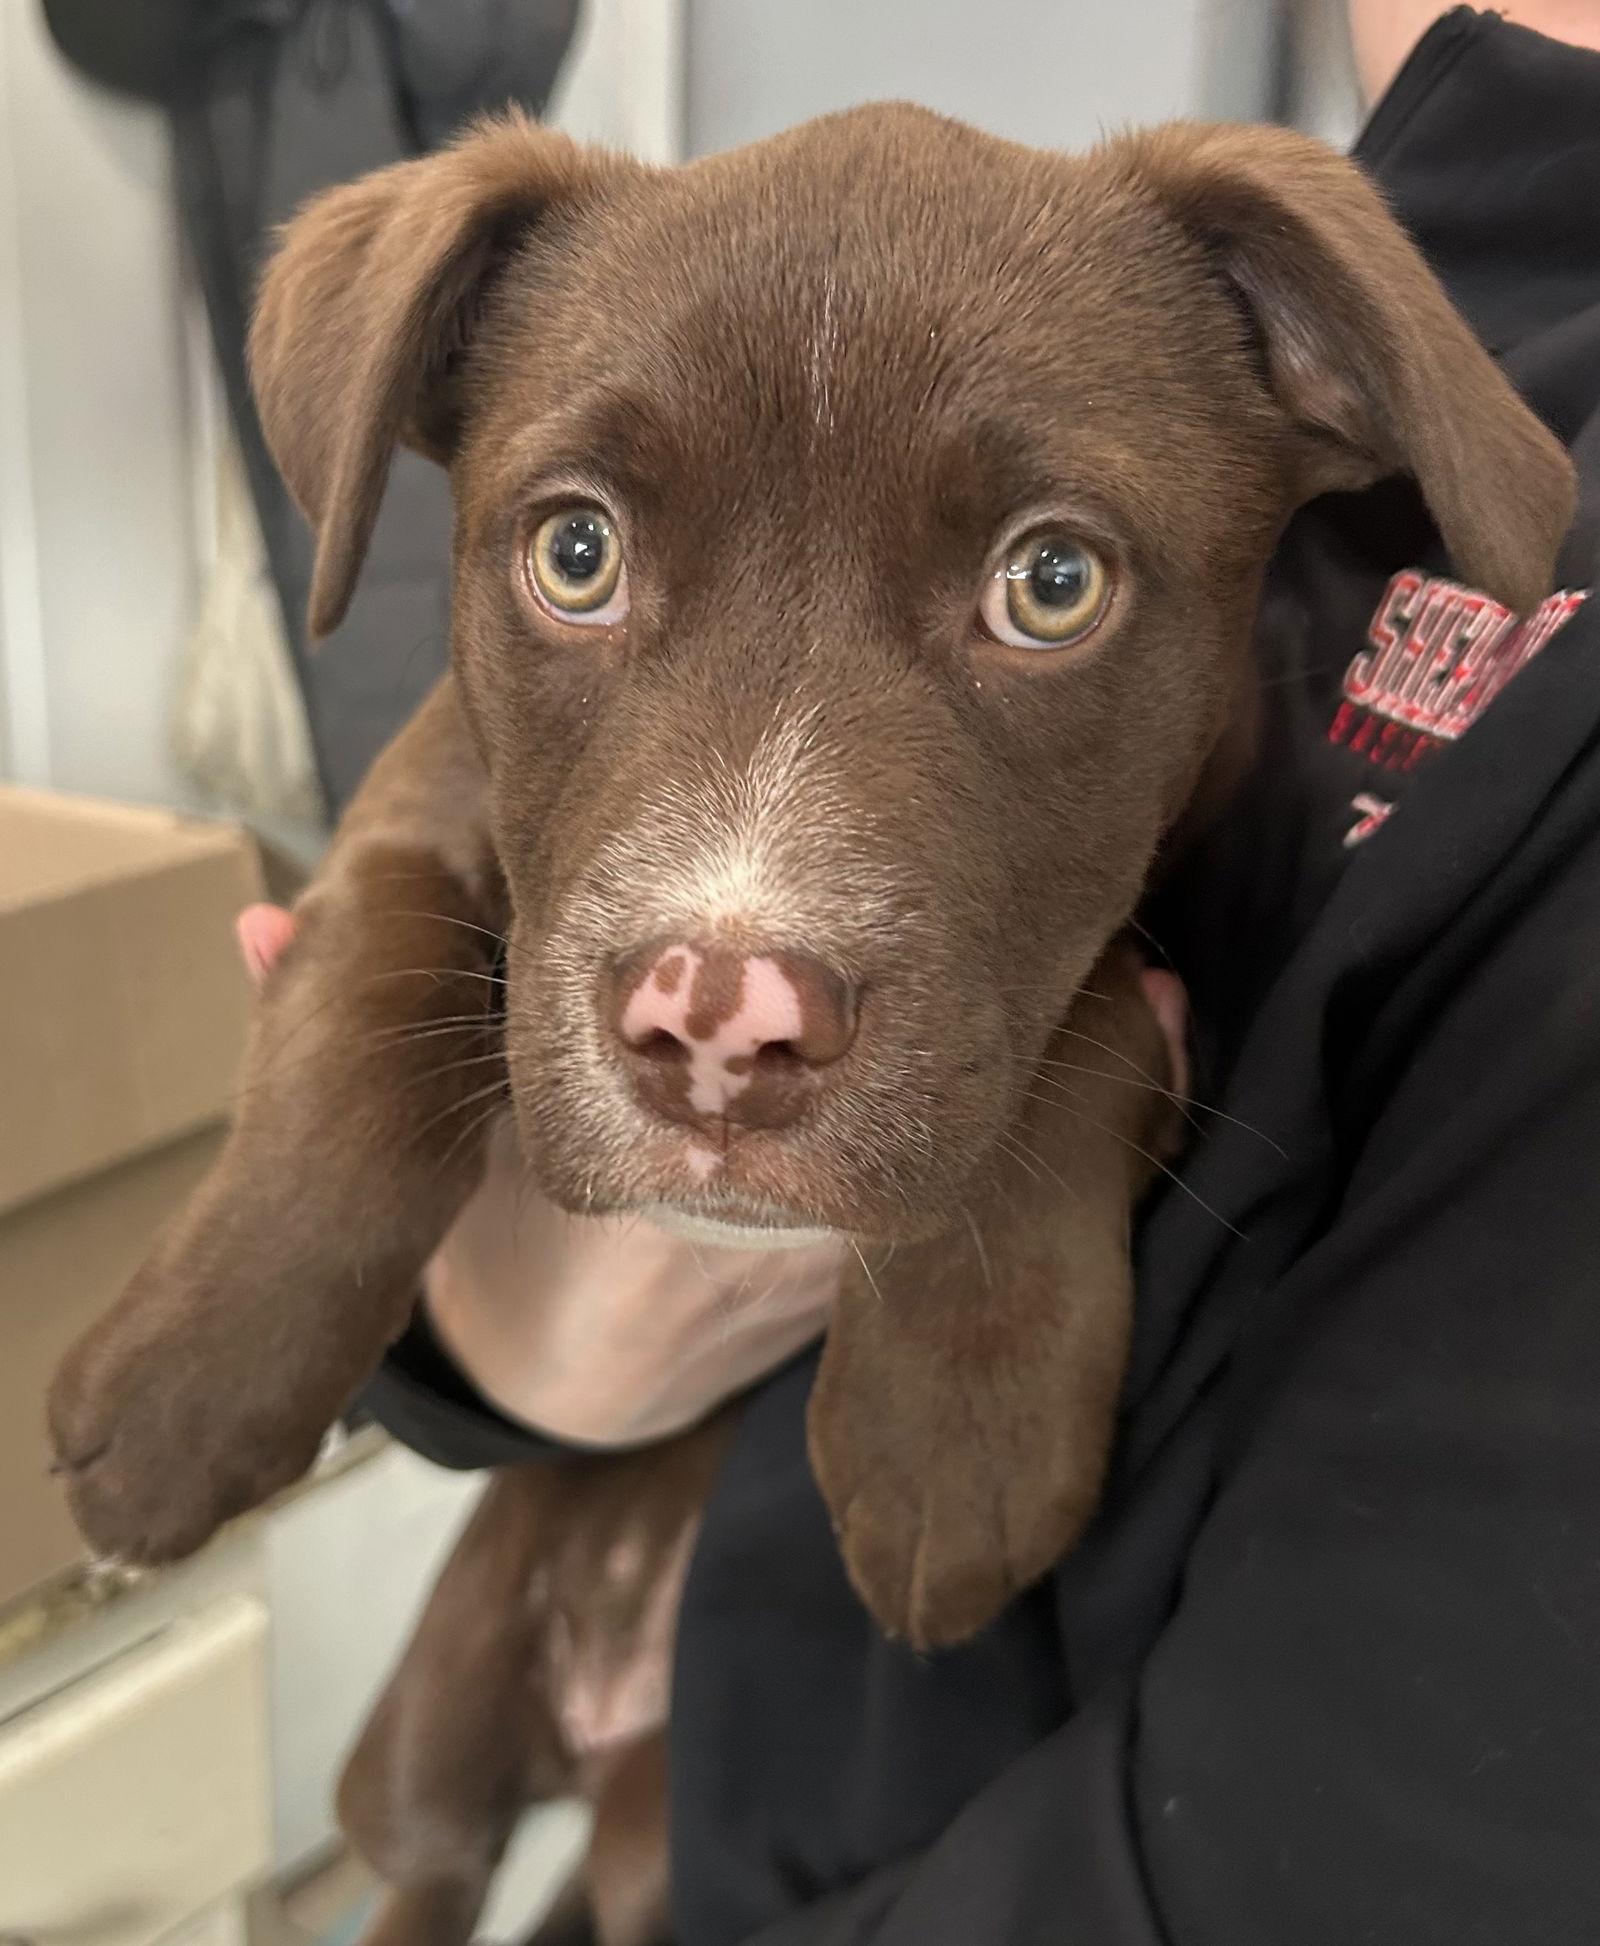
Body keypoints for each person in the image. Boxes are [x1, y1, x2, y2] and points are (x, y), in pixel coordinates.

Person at [239, 7, 1600, 1939]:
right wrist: (475, 1337)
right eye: (574, 550)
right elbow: (562, 1300)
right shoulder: (1307, 264)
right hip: (727, 1693)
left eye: (1050, 583)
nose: (733, 965)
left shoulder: (1265, 313)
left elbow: (1378, 1843)